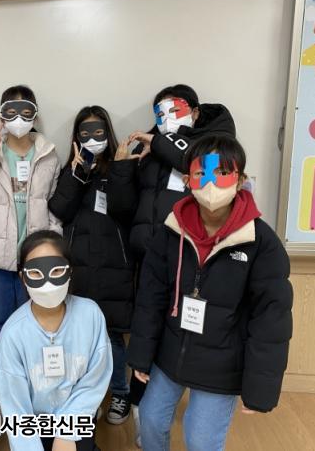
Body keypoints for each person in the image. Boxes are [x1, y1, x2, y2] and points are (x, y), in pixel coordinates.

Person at [128, 135, 293, 451]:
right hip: (170, 351)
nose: (211, 183)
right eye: (201, 173)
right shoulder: (170, 231)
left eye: (222, 173)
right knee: (150, 420)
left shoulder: (262, 243)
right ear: (187, 179)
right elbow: (151, 296)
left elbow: (271, 318)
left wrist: (259, 387)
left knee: (201, 440)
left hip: (222, 362)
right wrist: (141, 354)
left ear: (240, 180)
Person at [126, 84, 236, 445]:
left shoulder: (214, 141)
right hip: (152, 255)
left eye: (174, 110)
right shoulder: (155, 146)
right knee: (148, 325)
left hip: (195, 257)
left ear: (196, 111)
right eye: (159, 113)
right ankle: (144, 410)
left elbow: (199, 164)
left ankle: (196, 411)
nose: (166, 119)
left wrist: (160, 142)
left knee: (193, 329)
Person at [48, 105, 138, 426]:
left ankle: (120, 392)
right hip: (78, 267)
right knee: (80, 336)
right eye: (84, 132)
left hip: (115, 265)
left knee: (112, 336)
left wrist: (121, 168)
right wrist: (77, 172)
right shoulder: (72, 168)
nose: (92, 138)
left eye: (98, 131)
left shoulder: (122, 166)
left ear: (107, 133)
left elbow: (125, 209)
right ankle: (88, 397)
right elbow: (60, 209)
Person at [0, 85, 61, 350]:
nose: (18, 118)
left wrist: (53, 246)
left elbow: (53, 206)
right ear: (2, 115)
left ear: (35, 115)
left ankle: (29, 372)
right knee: (0, 324)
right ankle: (2, 374)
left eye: (25, 111)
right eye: (11, 111)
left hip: (35, 257)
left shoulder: (48, 154)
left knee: (35, 323)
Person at [0, 230, 112, 451]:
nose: (47, 283)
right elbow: (16, 407)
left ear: (70, 271)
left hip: (78, 416)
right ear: (23, 277)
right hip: (34, 425)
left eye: (57, 270)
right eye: (36, 273)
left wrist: (67, 431)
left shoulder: (90, 315)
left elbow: (95, 379)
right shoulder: (13, 333)